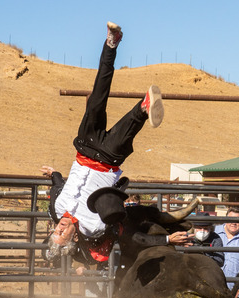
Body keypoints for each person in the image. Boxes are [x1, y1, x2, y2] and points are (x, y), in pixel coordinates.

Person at [40, 21, 169, 263]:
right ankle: (145, 106)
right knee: (131, 123)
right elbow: (115, 218)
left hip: (86, 147)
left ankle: (112, 43)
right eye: (62, 234)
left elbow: (59, 186)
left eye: (55, 231)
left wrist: (54, 173)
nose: (59, 228)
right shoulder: (93, 227)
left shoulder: (56, 210)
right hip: (108, 160)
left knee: (98, 95)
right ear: (74, 238)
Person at [215, 207, 239, 289]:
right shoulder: (214, 232)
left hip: (235, 289)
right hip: (214, 285)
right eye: (231, 219)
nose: (234, 223)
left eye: (237, 220)